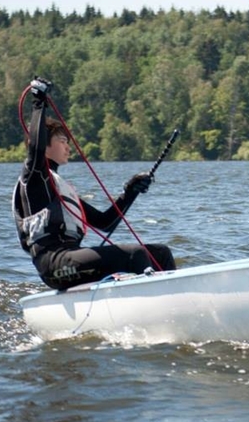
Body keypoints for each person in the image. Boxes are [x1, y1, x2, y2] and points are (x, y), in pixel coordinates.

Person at [12, 76, 175, 290]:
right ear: (46, 146)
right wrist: (38, 101)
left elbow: (105, 223)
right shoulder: (34, 177)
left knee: (160, 253)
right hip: (54, 264)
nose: (68, 147)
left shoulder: (60, 190)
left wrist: (130, 191)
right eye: (62, 141)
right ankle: (152, 300)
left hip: (72, 258)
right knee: (135, 255)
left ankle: (177, 297)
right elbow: (36, 147)